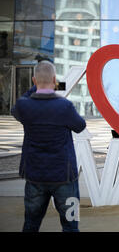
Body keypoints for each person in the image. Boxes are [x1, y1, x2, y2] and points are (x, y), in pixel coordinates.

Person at [11, 61, 86, 232]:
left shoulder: (24, 105)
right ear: (54, 79)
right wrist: (51, 87)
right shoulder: (64, 106)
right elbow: (80, 126)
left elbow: (15, 109)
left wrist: (36, 87)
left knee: (31, 225)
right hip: (64, 176)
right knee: (71, 226)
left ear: (33, 80)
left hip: (35, 176)